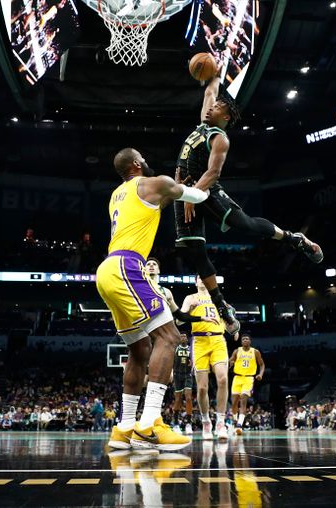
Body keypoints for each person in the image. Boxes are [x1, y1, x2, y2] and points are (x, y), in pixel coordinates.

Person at [174, 71, 323, 335]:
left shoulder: (220, 138)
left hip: (204, 191)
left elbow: (213, 174)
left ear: (226, 117)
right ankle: (222, 307)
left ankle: (293, 238)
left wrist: (191, 194)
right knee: (196, 254)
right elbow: (210, 90)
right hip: (184, 192)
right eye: (213, 105)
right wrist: (213, 72)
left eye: (218, 107)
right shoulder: (204, 122)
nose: (211, 107)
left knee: (246, 225)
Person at [97, 147, 209, 452]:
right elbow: (197, 196)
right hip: (128, 266)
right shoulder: (151, 182)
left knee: (140, 349)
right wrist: (209, 176)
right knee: (170, 337)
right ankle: (149, 424)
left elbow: (166, 196)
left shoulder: (117, 194)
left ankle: (124, 429)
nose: (147, 159)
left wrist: (174, 187)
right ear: (137, 163)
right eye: (143, 157)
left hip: (107, 270)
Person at [180, 276, 229, 441]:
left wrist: (234, 327)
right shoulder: (190, 298)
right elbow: (179, 320)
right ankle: (206, 421)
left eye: (204, 277)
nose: (202, 279)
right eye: (199, 277)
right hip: (199, 342)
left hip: (218, 340)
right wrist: (188, 310)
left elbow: (229, 319)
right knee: (202, 388)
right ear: (195, 282)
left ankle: (221, 422)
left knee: (222, 379)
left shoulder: (218, 298)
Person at [228, 333, 264, 435]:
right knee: (234, 402)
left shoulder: (255, 352)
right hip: (237, 378)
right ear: (241, 341)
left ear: (250, 341)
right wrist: (230, 363)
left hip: (249, 378)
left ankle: (239, 424)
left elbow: (262, 364)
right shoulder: (237, 351)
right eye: (243, 339)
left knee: (243, 399)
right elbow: (230, 360)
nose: (245, 340)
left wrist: (260, 374)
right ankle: (235, 421)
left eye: (247, 339)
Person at [171, 333, 195, 435]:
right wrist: (171, 373)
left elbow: (195, 361)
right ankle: (176, 423)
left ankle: (189, 423)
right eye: (181, 336)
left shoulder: (191, 349)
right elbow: (171, 361)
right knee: (178, 399)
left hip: (188, 375)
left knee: (188, 398)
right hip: (177, 375)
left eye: (185, 336)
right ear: (179, 339)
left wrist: (193, 364)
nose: (183, 338)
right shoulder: (175, 348)